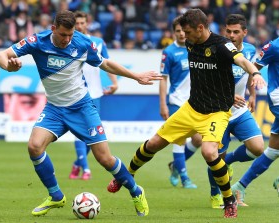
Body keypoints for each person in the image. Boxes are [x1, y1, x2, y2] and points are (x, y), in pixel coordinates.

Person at [0, 10, 162, 217]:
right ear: (53, 28)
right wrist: (10, 67)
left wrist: (135, 76)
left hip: (81, 107)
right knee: (34, 147)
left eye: (70, 35)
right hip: (55, 108)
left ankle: (136, 191)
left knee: (105, 159)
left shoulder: (82, 43)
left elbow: (106, 63)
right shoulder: (37, 41)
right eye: (63, 35)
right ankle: (56, 196)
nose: (67, 39)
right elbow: (0, 56)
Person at [106, 8, 266, 218]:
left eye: (188, 32)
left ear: (200, 28)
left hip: (216, 112)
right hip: (191, 108)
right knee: (154, 143)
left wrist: (254, 73)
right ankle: (125, 175)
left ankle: (228, 201)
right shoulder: (191, 42)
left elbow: (242, 61)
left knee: (209, 152)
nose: (184, 37)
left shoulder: (221, 45)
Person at [206, 14, 264, 209]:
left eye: (236, 32)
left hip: (239, 111)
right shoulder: (216, 51)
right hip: (218, 111)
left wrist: (253, 95)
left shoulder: (249, 50)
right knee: (215, 157)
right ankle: (216, 194)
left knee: (257, 148)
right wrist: (229, 97)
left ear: (244, 33)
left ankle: (230, 160)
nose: (231, 35)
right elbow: (207, 83)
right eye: (228, 31)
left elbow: (250, 72)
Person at [231, 30, 279, 207]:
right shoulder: (274, 46)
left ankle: (239, 186)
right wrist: (251, 93)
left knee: (273, 151)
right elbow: (253, 69)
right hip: (277, 97)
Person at [69, 11, 118, 181]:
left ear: (87, 23)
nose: (80, 26)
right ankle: (86, 169)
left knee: (91, 134)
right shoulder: (69, 42)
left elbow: (108, 63)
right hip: (75, 94)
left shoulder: (98, 42)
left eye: (82, 23)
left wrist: (115, 83)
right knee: (78, 132)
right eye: (77, 23)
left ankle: (77, 163)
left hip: (95, 94)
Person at [159, 16, 202, 189]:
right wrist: (162, 103)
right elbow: (163, 79)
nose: (182, 34)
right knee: (180, 138)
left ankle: (176, 166)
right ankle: (185, 178)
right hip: (176, 100)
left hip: (196, 102)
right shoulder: (169, 52)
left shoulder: (196, 47)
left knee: (198, 140)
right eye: (178, 31)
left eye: (184, 30)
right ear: (173, 32)